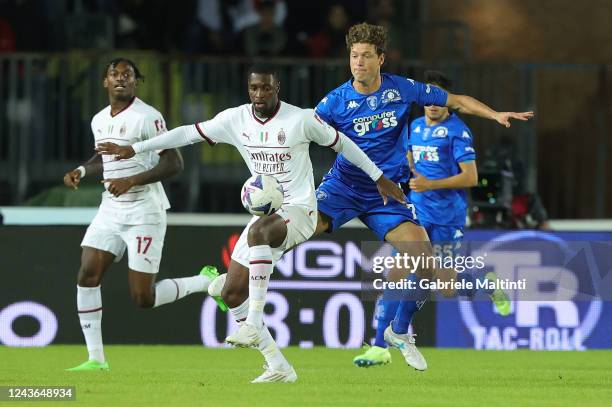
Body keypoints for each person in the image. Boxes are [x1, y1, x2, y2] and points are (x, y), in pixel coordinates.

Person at [95, 63, 405, 383]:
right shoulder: (235, 119)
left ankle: (253, 322)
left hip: (300, 211)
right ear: (249, 89)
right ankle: (278, 366)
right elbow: (188, 133)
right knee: (231, 294)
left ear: (277, 88)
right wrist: (136, 147)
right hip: (267, 214)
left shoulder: (300, 119)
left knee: (258, 232)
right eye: (254, 88)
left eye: (266, 88)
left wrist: (378, 176)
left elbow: (343, 144)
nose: (259, 94)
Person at [312, 23, 532, 370]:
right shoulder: (348, 106)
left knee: (436, 278)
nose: (359, 62)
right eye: (354, 56)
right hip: (367, 192)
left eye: (366, 56)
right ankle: (382, 342)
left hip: (428, 209)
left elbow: (464, 133)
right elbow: (305, 132)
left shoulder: (423, 106)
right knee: (392, 271)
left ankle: (407, 326)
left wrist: (495, 114)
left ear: (380, 59)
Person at [63, 58, 224, 372]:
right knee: (87, 274)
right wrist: (82, 169)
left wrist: (132, 180)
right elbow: (104, 157)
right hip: (110, 208)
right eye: (114, 74)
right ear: (105, 82)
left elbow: (174, 163)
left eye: (128, 74)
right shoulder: (98, 119)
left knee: (143, 297)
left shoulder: (148, 117)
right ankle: (96, 359)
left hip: (144, 211)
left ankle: (203, 282)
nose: (121, 78)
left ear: (136, 82)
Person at [354, 70, 486, 367]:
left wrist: (430, 184)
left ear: (446, 103)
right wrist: (411, 176)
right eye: (428, 102)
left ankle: (483, 281)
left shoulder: (458, 131)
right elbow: (409, 156)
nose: (432, 106)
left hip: (448, 217)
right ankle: (381, 344)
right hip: (417, 212)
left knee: (447, 286)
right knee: (398, 273)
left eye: (437, 101)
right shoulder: (413, 126)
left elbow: (471, 177)